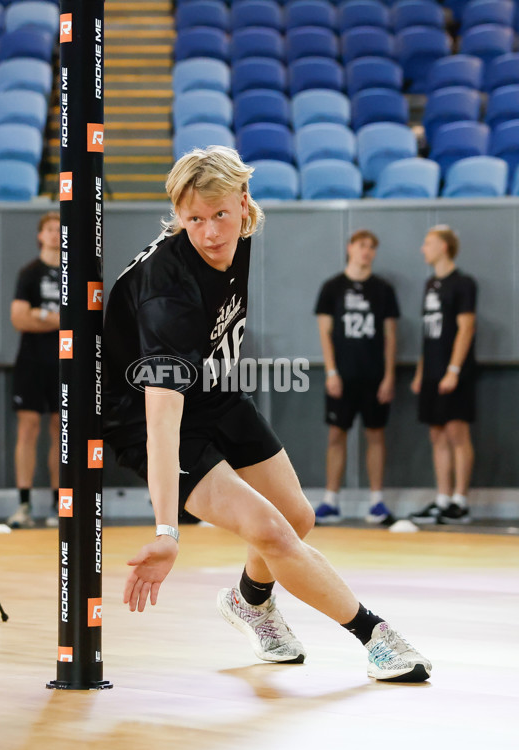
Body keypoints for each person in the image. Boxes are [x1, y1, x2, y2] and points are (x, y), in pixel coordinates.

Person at [103, 146, 431, 682]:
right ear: (178, 215)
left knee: (298, 518)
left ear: (243, 202)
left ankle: (249, 601)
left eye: (220, 216)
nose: (209, 232)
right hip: (145, 415)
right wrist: (168, 529)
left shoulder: (242, 232)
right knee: (274, 533)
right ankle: (376, 637)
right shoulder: (168, 293)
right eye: (194, 220)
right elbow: (162, 421)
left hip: (215, 390)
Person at [314, 231, 399, 525]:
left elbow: (390, 336)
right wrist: (331, 372)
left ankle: (377, 501)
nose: (367, 251)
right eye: (362, 246)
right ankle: (330, 500)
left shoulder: (383, 290)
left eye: (372, 247)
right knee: (336, 434)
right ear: (350, 248)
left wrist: (389, 376)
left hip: (374, 375)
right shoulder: (332, 288)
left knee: (376, 434)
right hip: (342, 376)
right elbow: (324, 333)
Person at [410, 226, 477, 525]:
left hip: (454, 372)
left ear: (444, 247)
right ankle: (443, 498)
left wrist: (453, 370)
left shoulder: (463, 283)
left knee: (457, 433)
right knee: (436, 433)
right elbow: (429, 334)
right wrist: (422, 372)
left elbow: (466, 328)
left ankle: (460, 501)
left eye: (428, 243)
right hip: (432, 372)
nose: (423, 248)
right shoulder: (430, 284)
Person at [7, 212, 61, 529]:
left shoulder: (75, 271)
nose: (55, 234)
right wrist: (57, 319)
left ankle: (58, 504)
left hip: (64, 363)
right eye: (49, 230)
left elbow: (85, 319)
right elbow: (19, 319)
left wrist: (40, 314)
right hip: (30, 362)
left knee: (60, 429)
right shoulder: (29, 273)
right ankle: (23, 505)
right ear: (40, 235)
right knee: (27, 429)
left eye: (59, 229)